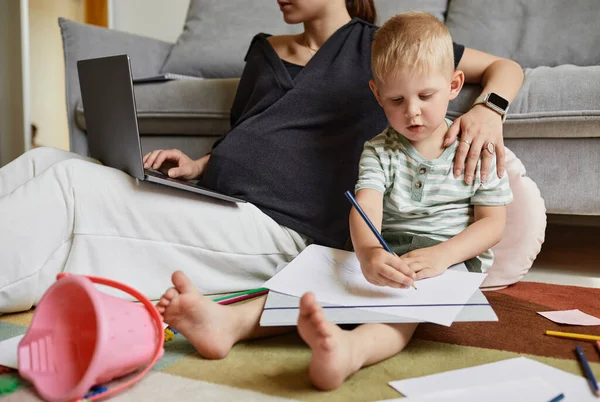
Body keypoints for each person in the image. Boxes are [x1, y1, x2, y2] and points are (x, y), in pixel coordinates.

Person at [0, 0, 524, 319]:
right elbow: (247, 133)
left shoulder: (387, 51)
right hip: (219, 199)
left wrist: (489, 109)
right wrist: (200, 165)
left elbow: (505, 67)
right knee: (44, 159)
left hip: (280, 228)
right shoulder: (264, 49)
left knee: (70, 183)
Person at [156, 9, 514, 390]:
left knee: (397, 312)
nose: (412, 112)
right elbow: (367, 205)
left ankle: (352, 349)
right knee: (314, 278)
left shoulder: (475, 146)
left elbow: (492, 223)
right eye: (396, 100)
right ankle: (229, 323)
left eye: (426, 96)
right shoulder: (379, 150)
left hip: (449, 263)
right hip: (384, 252)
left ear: (454, 85)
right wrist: (369, 252)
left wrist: (443, 256)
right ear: (376, 94)